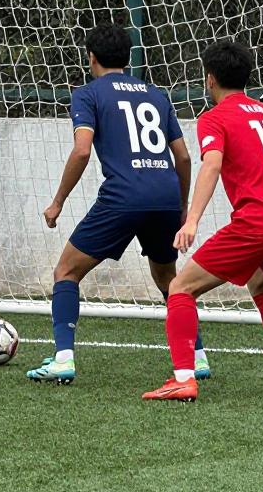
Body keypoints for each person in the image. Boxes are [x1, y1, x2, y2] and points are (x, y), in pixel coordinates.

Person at [28, 23, 210, 384]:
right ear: (128, 58)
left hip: (124, 195)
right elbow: (184, 157)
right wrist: (181, 206)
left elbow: (82, 150)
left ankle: (63, 359)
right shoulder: (156, 95)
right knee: (169, 279)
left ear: (91, 57)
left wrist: (58, 201)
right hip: (165, 195)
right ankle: (197, 356)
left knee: (66, 272)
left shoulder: (87, 94)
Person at [143, 39, 263, 402]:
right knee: (261, 284)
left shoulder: (215, 117)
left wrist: (191, 220)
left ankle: (183, 378)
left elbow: (212, 164)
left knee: (181, 287)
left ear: (209, 79)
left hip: (259, 223)